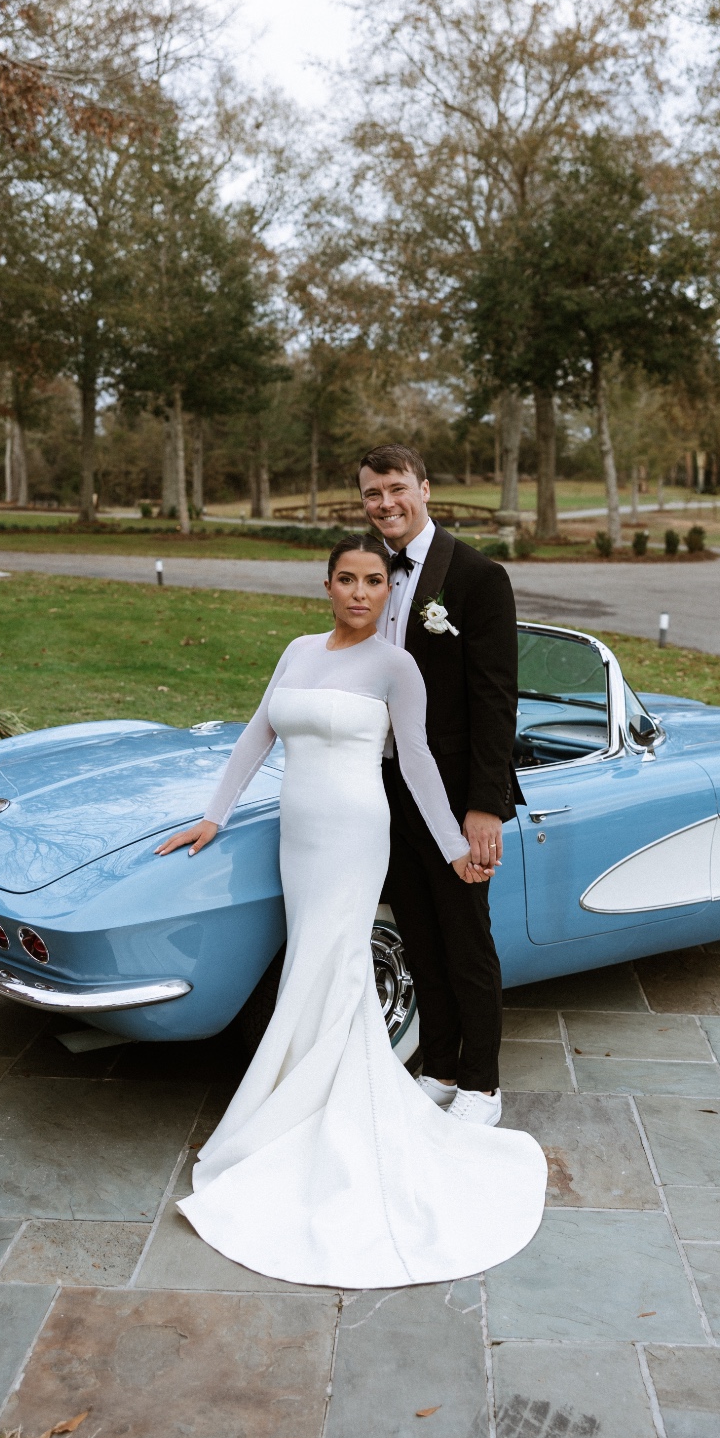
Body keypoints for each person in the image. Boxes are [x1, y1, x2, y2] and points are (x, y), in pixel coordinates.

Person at [155, 534, 545, 1289]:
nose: (361, 592)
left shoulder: (397, 666)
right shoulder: (298, 651)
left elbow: (423, 760)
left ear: (384, 592)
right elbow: (255, 736)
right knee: (310, 955)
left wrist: (451, 846)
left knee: (335, 960)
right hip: (297, 834)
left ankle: (330, 1104)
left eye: (373, 581)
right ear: (327, 584)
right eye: (347, 579)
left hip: (357, 831)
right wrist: (214, 815)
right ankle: (304, 1088)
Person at [359, 444, 520, 1127]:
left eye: (397, 488)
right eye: (372, 494)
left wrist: (485, 807)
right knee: (419, 933)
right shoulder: (370, 574)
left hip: (455, 795)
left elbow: (495, 700)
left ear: (425, 488)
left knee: (465, 936)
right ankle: (442, 1067)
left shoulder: (479, 579)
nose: (386, 504)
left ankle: (482, 1084)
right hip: (385, 788)